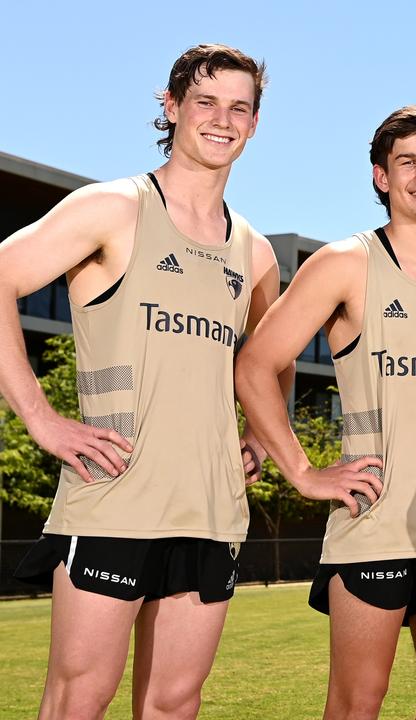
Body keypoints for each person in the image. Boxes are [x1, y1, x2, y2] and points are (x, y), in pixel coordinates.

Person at [1, 44, 281, 719]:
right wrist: (39, 417)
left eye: (238, 107)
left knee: (174, 703)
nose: (222, 119)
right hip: (116, 496)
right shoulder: (114, 208)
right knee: (79, 700)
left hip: (213, 512)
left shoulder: (257, 252)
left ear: (254, 124)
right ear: (172, 106)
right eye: (206, 101)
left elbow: (266, 363)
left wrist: (262, 438)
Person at [235, 104, 416, 719]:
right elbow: (255, 365)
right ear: (380, 176)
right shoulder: (345, 263)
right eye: (407, 162)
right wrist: (303, 472)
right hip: (373, 526)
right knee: (357, 702)